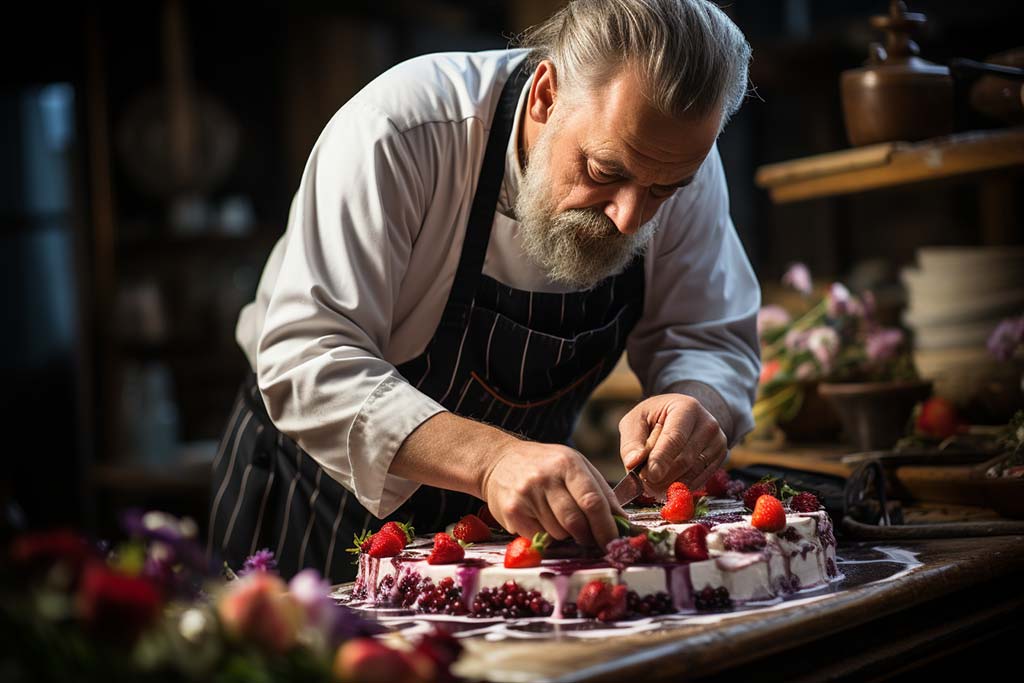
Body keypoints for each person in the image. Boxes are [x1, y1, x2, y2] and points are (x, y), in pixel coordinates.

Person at [209, 0, 760, 582]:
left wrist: (696, 399)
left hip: (505, 531)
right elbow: (307, 357)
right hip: (315, 494)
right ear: (547, 96)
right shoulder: (402, 131)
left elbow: (707, 336)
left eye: (664, 191)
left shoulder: (668, 158)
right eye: (604, 172)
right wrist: (493, 458)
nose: (630, 217)